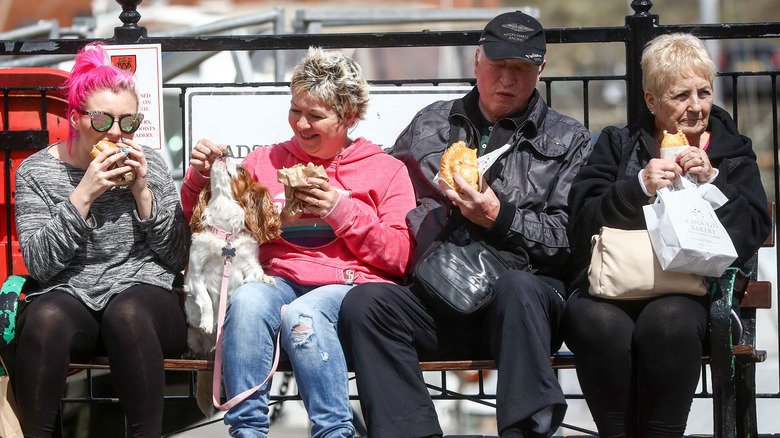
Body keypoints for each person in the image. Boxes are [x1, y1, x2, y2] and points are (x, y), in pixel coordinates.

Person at [338, 11, 594, 438]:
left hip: (519, 308)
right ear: (477, 61)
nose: (506, 80)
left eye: (521, 69)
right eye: (497, 66)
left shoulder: (569, 140)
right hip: (438, 295)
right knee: (366, 305)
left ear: (540, 70)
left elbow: (571, 243)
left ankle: (525, 431)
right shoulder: (430, 124)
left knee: (519, 288)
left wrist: (499, 217)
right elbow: (383, 193)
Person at [181, 47, 416, 438]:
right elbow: (204, 224)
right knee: (248, 298)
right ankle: (247, 431)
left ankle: (333, 432)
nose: (300, 125)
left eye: (315, 115)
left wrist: (341, 211)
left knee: (302, 314)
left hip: (349, 288)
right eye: (295, 110)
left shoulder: (386, 170)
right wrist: (200, 177)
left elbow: (401, 256)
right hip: (280, 279)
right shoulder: (264, 162)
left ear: (349, 117)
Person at [563, 33, 772, 437]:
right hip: (614, 286)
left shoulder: (732, 152)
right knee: (593, 320)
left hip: (693, 291)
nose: (696, 107)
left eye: (704, 92)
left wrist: (712, 183)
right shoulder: (618, 144)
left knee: (669, 322)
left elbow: (751, 232)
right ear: (652, 101)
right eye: (680, 96)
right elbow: (581, 218)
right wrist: (638, 186)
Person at [13, 43, 190, 437]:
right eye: (103, 119)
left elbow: (177, 254)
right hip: (73, 293)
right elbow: (41, 265)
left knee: (125, 314)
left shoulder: (150, 164)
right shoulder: (36, 173)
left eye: (127, 123)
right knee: (45, 317)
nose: (115, 132)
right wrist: (83, 196)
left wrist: (144, 192)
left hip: (145, 298)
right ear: (76, 118)